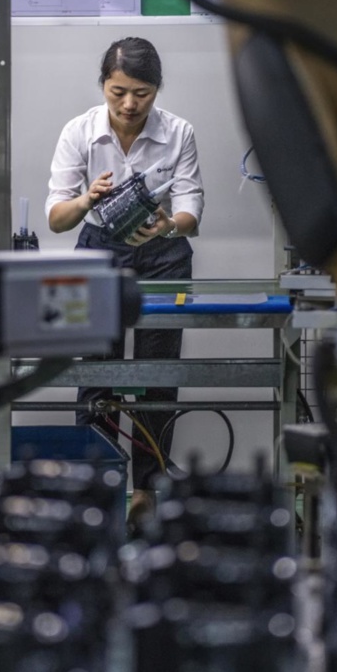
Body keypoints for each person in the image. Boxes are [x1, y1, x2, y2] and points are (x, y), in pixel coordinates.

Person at [45, 36, 205, 533]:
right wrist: (88, 199)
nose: (130, 104)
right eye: (118, 92)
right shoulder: (79, 132)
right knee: (94, 371)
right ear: (103, 85)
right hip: (97, 250)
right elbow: (56, 219)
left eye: (142, 92)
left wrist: (169, 225)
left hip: (164, 257)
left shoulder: (179, 132)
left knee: (157, 375)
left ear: (157, 89)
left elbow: (192, 207)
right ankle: (96, 484)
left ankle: (144, 490)